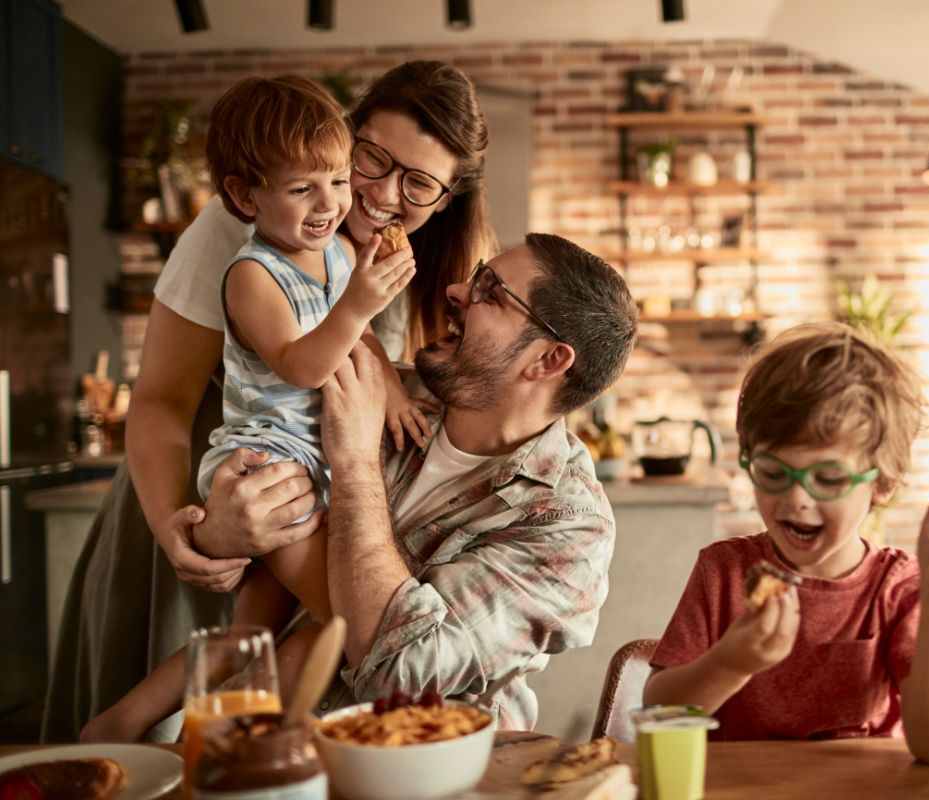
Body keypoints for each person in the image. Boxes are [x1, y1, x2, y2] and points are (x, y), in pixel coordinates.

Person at [44, 60, 494, 742]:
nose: (377, 194)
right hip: (206, 506)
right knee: (349, 628)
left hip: (311, 491)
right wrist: (182, 533)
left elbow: (352, 341)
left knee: (270, 653)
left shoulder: (370, 252)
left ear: (446, 199)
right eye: (372, 158)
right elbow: (163, 400)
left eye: (420, 183)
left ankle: (221, 744)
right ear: (349, 134)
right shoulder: (251, 234)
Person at [302, 233, 636, 728]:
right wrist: (210, 534)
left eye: (491, 292)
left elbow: (401, 673)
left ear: (548, 361)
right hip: (261, 745)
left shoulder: (570, 528)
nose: (457, 291)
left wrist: (353, 463)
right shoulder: (374, 387)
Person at [643, 322, 929, 764]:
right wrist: (730, 664)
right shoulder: (724, 571)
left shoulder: (897, 586)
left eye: (827, 478)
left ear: (882, 483)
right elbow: (657, 713)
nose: (795, 499)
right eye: (773, 473)